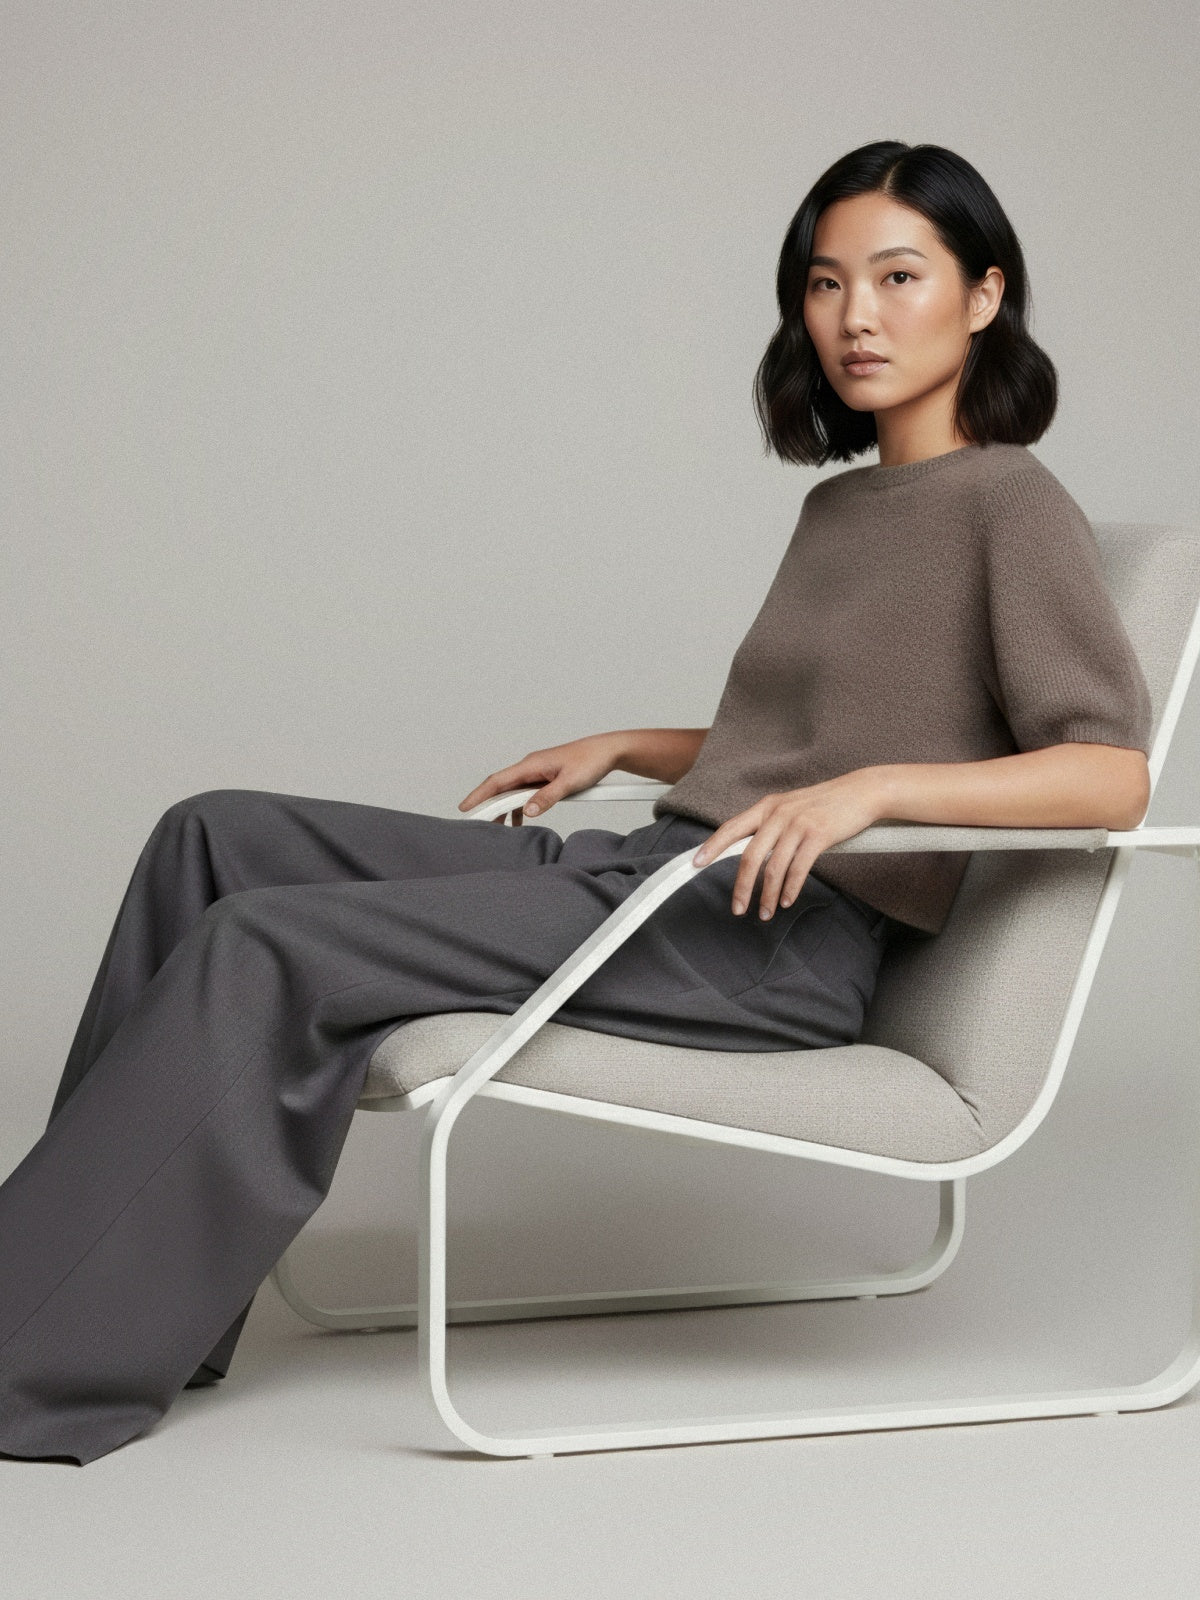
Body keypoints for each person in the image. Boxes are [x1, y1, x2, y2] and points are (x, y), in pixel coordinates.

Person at [0, 139, 1152, 1466]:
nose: (857, 317)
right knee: (213, 836)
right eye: (827, 283)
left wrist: (875, 795)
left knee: (267, 944)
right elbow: (809, 734)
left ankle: (27, 1350)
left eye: (900, 277)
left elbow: (1109, 772)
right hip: (658, 874)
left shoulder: (1012, 503)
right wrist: (634, 745)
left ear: (984, 295)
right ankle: (105, 1296)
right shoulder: (844, 510)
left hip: (769, 941)